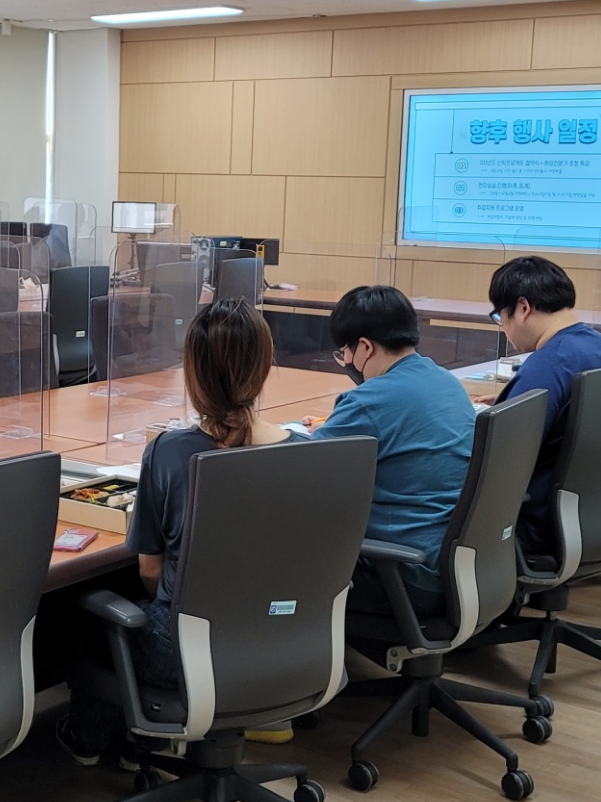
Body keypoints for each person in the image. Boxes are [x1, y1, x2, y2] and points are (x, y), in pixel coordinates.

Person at [57, 299, 290, 765]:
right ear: (265, 368)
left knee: (87, 621)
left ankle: (93, 743)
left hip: (185, 650)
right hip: (282, 641)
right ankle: (144, 744)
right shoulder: (306, 451)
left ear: (193, 374)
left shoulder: (169, 451)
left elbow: (150, 569)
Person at [310, 285, 475, 618]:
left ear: (365, 347)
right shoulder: (445, 381)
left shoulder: (369, 401)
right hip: (460, 567)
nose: (346, 362)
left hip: (407, 578)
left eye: (344, 352)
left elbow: (297, 470)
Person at [486, 255, 601, 553]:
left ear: (523, 308)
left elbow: (502, 455)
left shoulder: (549, 364)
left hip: (537, 525)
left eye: (501, 316)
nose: (503, 327)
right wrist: (511, 399)